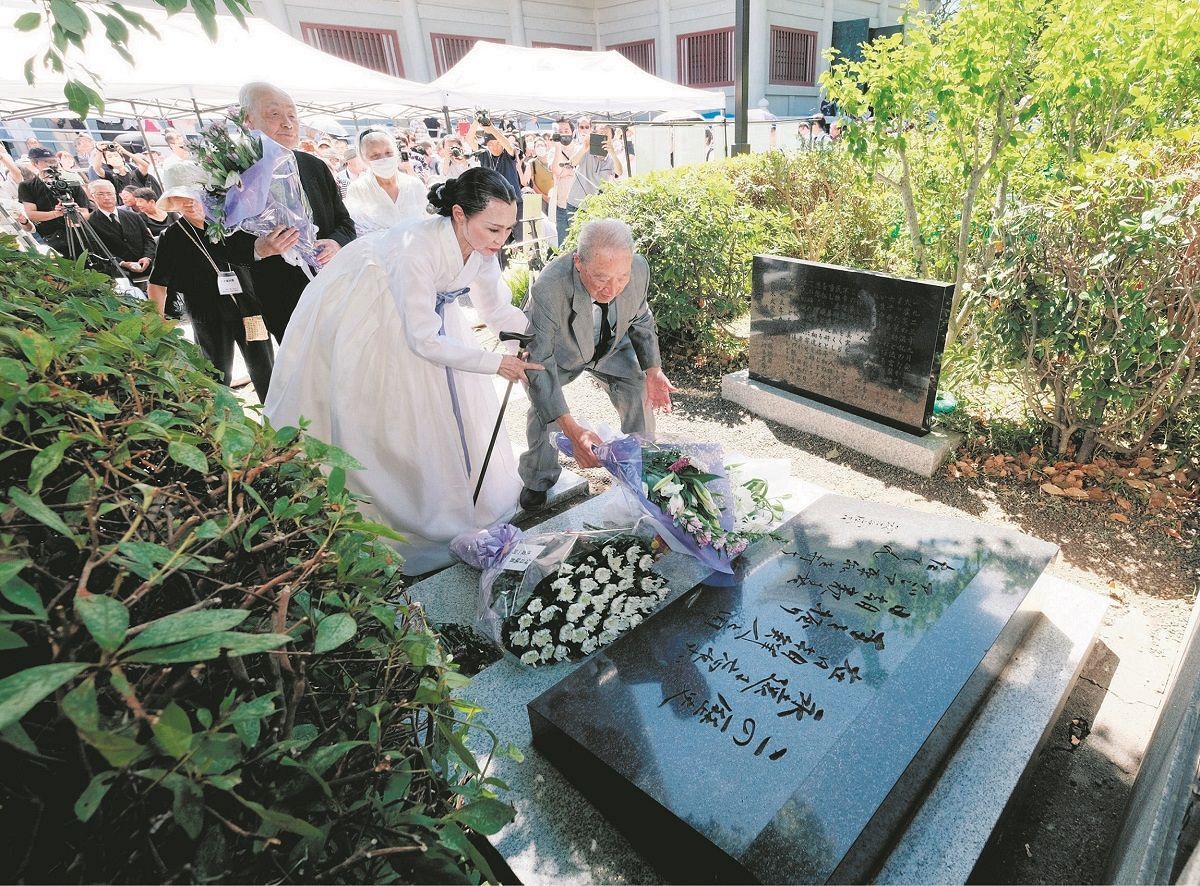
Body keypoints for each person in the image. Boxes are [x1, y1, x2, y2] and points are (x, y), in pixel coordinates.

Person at [264, 168, 540, 574]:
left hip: (430, 317)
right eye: (493, 229)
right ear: (460, 215)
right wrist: (494, 363)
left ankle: (459, 499)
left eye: (508, 230)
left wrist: (528, 335)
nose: (501, 241)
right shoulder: (418, 248)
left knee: (454, 411)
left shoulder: (482, 248)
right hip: (377, 312)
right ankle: (407, 509)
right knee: (398, 411)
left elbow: (494, 307)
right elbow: (423, 341)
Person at [517, 218, 676, 511]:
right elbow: (538, 363)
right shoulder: (549, 289)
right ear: (579, 262)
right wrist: (570, 428)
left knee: (637, 386)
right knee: (546, 406)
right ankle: (538, 478)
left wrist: (653, 370)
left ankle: (641, 469)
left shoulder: (638, 269)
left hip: (611, 346)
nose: (612, 289)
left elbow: (641, 319)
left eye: (621, 278)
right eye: (601, 278)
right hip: (560, 352)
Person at [213, 82, 356, 342]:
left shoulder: (314, 166)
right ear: (248, 120)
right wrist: (259, 248)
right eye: (275, 114)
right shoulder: (232, 173)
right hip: (283, 300)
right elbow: (219, 242)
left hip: (335, 290)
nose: (288, 123)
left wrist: (336, 243)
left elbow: (345, 223)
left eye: (292, 115)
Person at [147, 162, 275, 401]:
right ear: (173, 201)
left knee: (265, 368)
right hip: (206, 313)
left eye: (194, 194)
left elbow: (259, 258)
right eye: (181, 198)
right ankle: (221, 423)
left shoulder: (233, 223)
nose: (189, 203)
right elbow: (157, 283)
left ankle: (276, 419)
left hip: (247, 306)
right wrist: (155, 322)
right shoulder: (171, 237)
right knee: (215, 373)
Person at [343, 130, 430, 235]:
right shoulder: (357, 190)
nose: (384, 159)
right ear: (364, 159)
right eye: (375, 155)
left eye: (389, 153)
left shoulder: (414, 185)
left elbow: (429, 221)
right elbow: (357, 232)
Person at [18, 146, 92, 256]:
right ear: (35, 164)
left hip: (81, 233)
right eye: (46, 161)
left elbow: (86, 212)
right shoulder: (27, 186)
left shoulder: (72, 183)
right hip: (54, 238)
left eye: (53, 161)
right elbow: (31, 214)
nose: (51, 164)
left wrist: (77, 213)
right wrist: (56, 213)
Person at [86, 179, 156, 287]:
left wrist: (147, 257)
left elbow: (149, 240)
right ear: (92, 197)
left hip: (147, 264)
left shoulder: (133, 216)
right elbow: (98, 250)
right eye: (101, 194)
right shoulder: (90, 222)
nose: (106, 197)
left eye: (109, 193)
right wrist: (122, 263)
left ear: (115, 194)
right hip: (118, 270)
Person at [563, 119, 622, 235]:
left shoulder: (611, 159)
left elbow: (619, 172)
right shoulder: (584, 150)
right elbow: (572, 163)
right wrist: (584, 149)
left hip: (595, 208)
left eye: (606, 135)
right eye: (599, 134)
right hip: (575, 205)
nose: (602, 137)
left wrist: (613, 153)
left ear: (612, 139)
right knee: (576, 241)